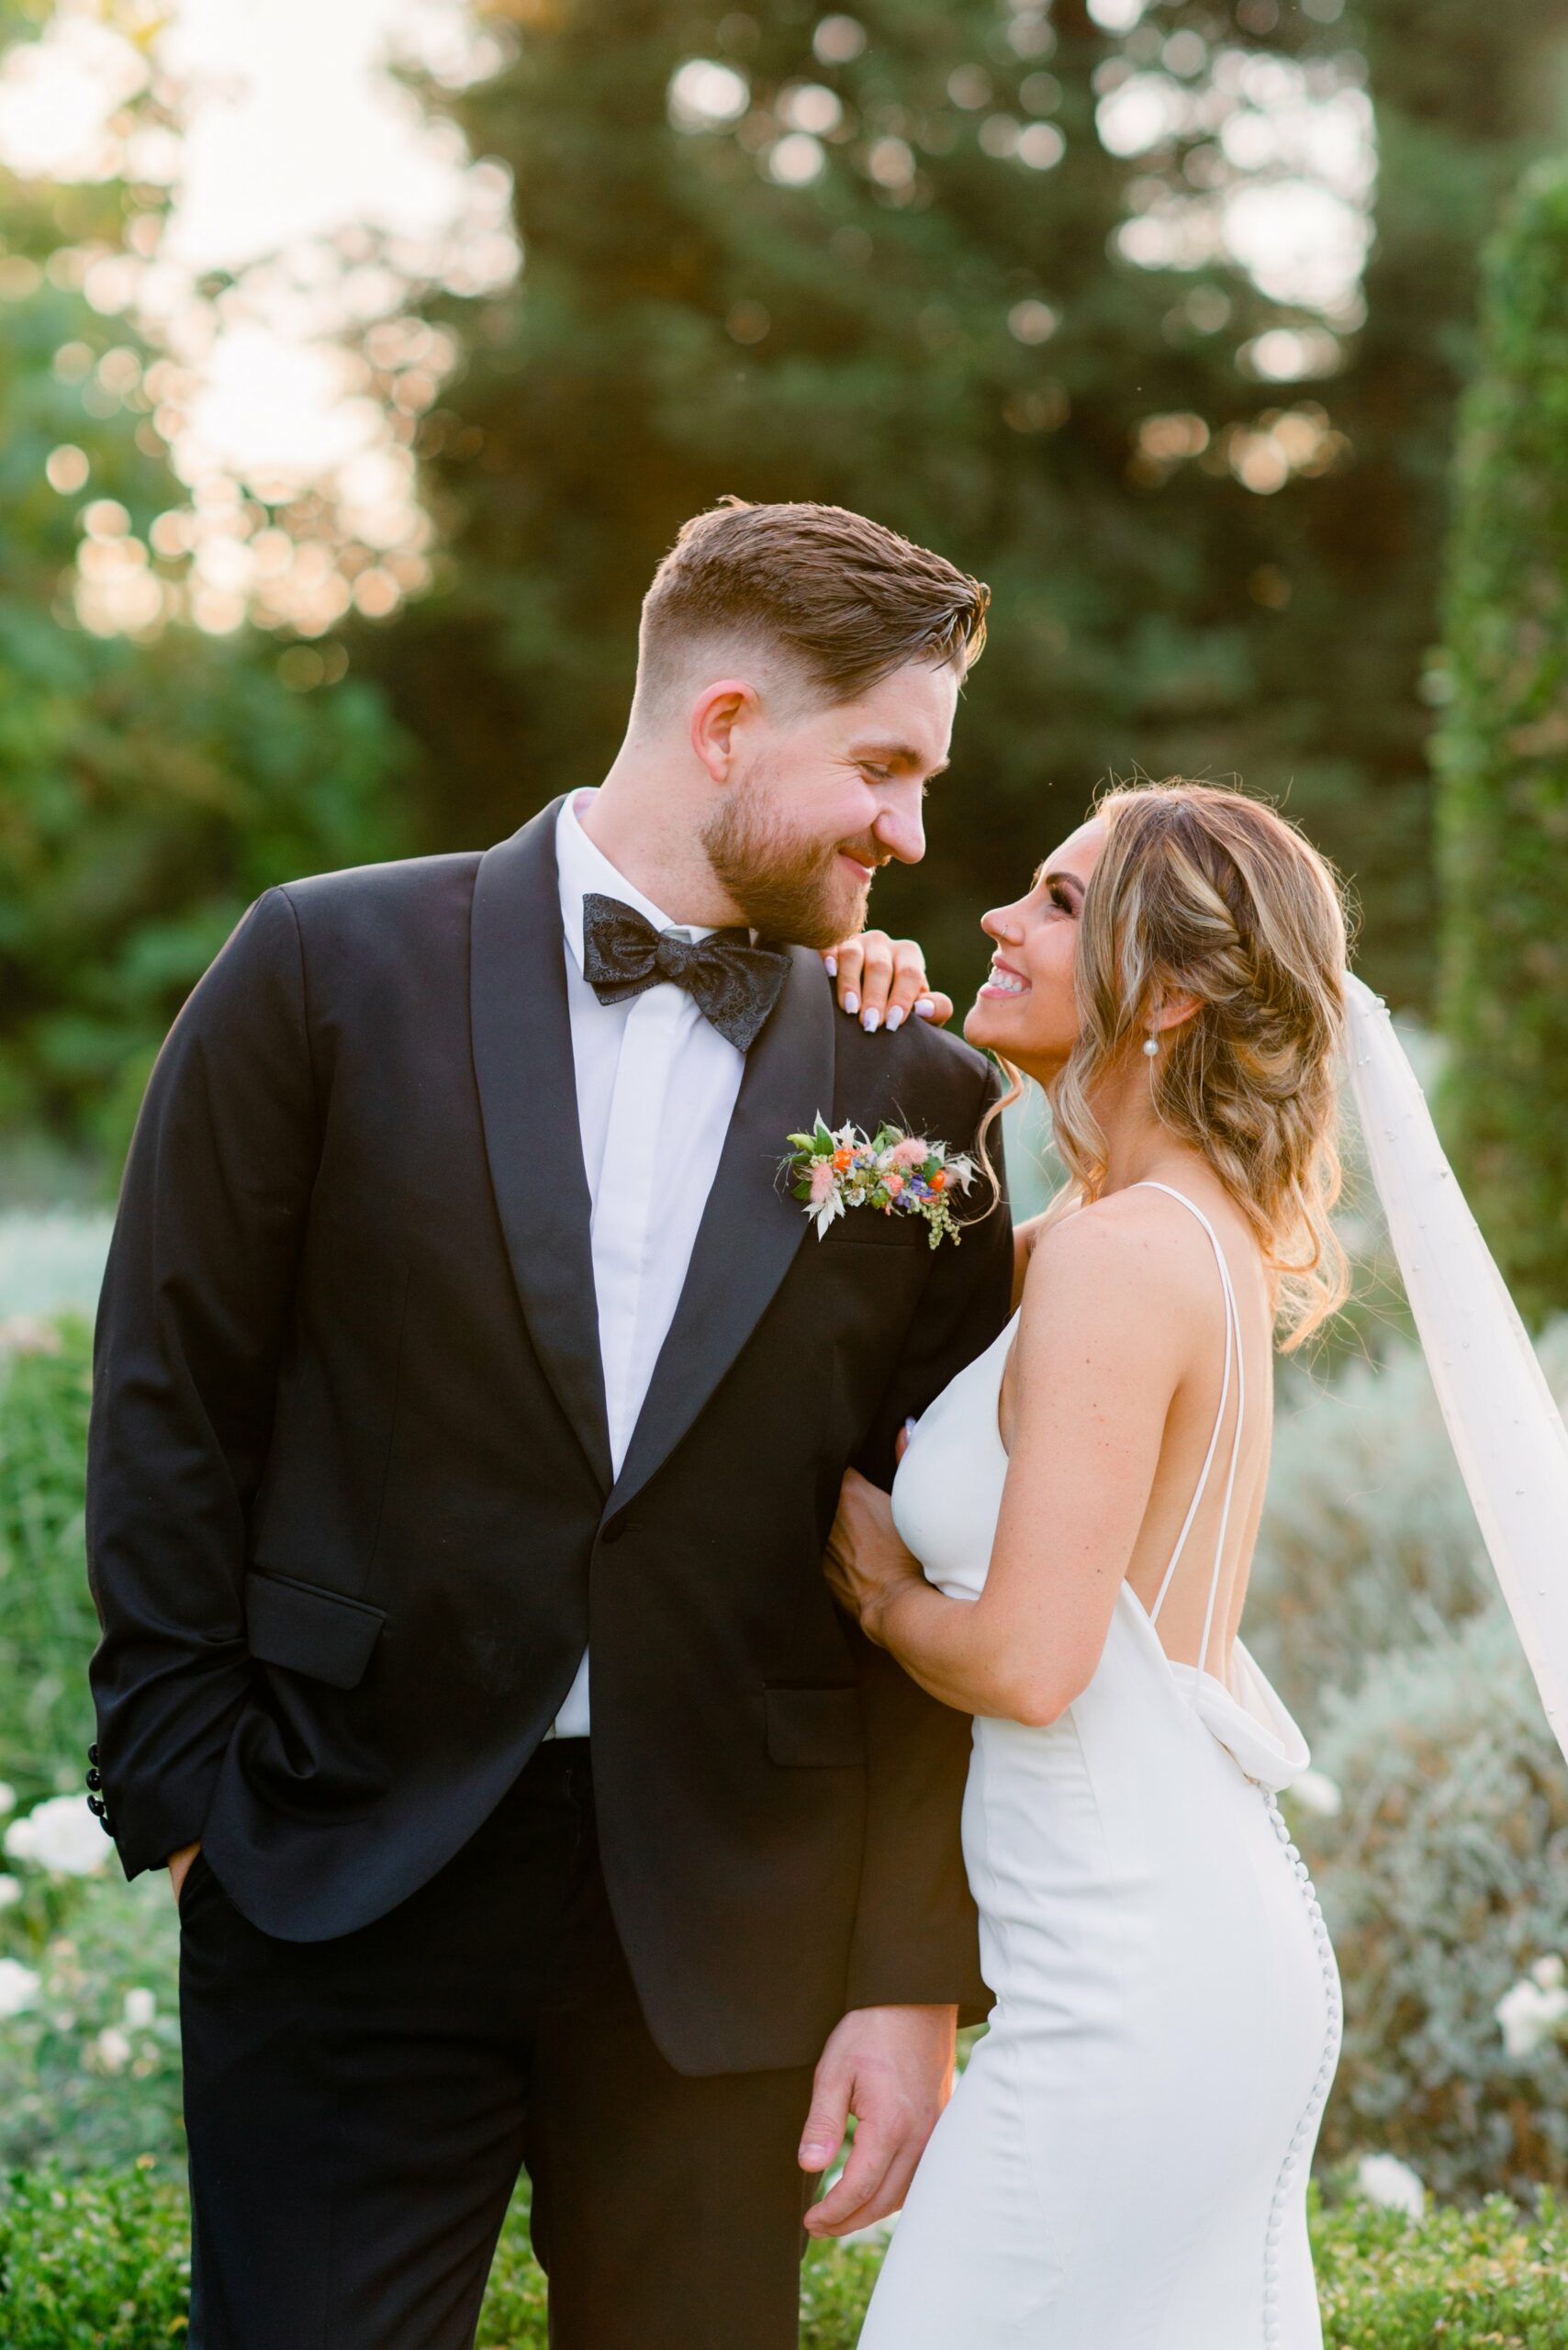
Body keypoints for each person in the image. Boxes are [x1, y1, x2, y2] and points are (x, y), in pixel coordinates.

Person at [81, 498, 1015, 2350]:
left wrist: (907, 1970)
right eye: (884, 767)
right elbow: (172, 1384)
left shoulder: (918, 1086)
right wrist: (189, 1795)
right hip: (338, 1865)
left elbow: (942, 1521)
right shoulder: (319, 968)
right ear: (727, 725)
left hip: (727, 1907)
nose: (910, 832)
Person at [823, 781, 1350, 2348]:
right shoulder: (1133, 1231)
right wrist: (873, 1041)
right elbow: (928, 1276)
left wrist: (883, 1594)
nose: (999, 915)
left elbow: (1036, 1663)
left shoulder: (1125, 1258)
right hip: (1160, 1934)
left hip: (1131, 1970)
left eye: (1058, 903)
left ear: (1171, 993)